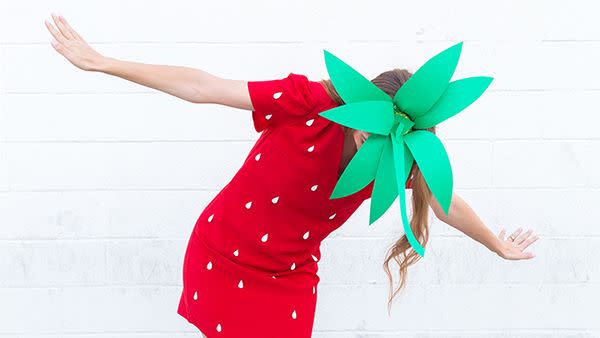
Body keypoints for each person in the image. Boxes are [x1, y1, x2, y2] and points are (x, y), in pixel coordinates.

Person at [45, 13, 539, 338]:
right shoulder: (311, 102)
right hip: (223, 252)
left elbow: (442, 200)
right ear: (362, 106)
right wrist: (102, 63)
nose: (378, 147)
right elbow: (203, 87)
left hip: (288, 274)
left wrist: (496, 243)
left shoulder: (404, 153)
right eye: (372, 132)